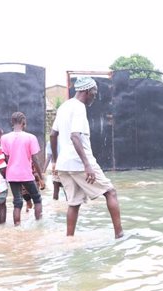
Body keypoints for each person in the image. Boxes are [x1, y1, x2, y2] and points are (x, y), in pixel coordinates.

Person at [49, 76, 123, 238]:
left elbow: (53, 135)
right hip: (79, 163)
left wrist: (55, 161)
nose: (94, 97)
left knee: (73, 203)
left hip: (64, 165)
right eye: (94, 93)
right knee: (110, 192)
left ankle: (70, 240)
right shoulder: (79, 107)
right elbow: (75, 136)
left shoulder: (63, 107)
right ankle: (120, 235)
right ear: (87, 91)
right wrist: (87, 165)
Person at [1, 111, 44, 226]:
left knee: (17, 202)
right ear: (24, 122)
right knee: (37, 199)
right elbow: (35, 159)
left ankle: (17, 227)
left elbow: (6, 157)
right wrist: (41, 176)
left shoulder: (4, 138)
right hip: (26, 174)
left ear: (12, 122)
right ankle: (39, 225)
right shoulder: (31, 137)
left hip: (12, 175)